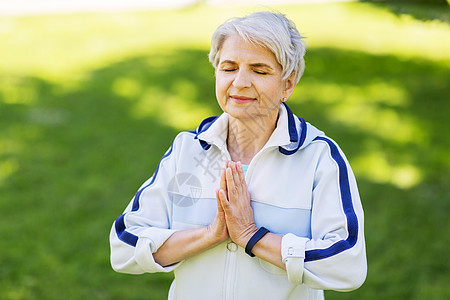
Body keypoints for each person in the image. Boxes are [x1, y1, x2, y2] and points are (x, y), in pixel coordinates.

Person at [110, 10, 367, 300]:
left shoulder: (319, 158)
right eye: (229, 68)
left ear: (288, 84)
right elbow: (124, 247)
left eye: (260, 70)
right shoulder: (188, 150)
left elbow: (347, 265)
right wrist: (209, 236)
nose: (240, 82)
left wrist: (251, 236)